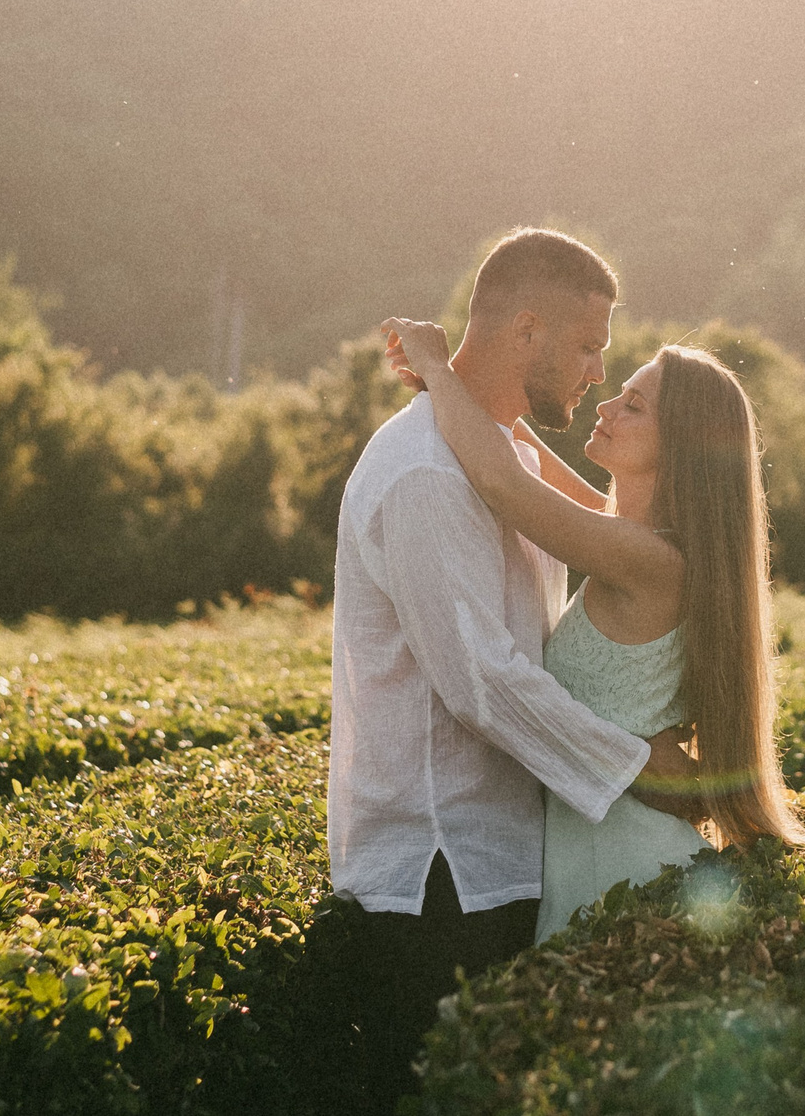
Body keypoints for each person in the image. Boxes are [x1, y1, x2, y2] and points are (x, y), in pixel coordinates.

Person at [322, 228, 702, 1112]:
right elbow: (482, 681)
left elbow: (594, 516)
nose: (596, 374)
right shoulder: (425, 471)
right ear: (526, 329)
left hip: (501, 861)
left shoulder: (507, 453)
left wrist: (438, 366)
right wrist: (637, 765)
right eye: (586, 346)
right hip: (439, 875)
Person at [381, 304, 805, 947]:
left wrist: (435, 365)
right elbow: (523, 460)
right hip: (601, 846)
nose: (605, 407)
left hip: (621, 857)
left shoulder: (648, 560)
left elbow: (506, 485)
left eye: (633, 406)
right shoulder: (639, 543)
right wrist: (463, 383)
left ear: (679, 450)